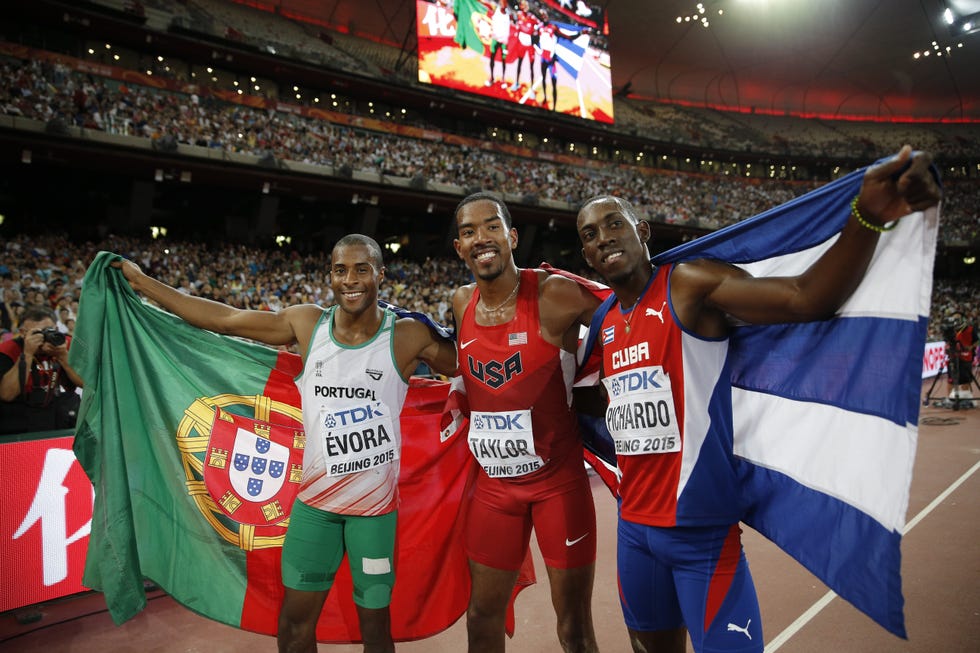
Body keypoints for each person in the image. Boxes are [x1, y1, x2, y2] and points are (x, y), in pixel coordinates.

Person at [574, 145, 942, 653]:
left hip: (701, 533)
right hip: (634, 530)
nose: (603, 239)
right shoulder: (605, 322)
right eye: (589, 236)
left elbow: (806, 298)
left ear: (643, 232)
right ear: (587, 256)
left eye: (614, 224)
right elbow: (603, 402)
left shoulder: (688, 286)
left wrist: (868, 215)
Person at [113, 234, 457, 653]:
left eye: (361, 269)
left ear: (380, 275)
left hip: (373, 516)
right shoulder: (307, 324)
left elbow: (473, 365)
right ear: (330, 275)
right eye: (340, 270)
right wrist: (144, 282)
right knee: (294, 626)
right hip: (315, 511)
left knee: (376, 630)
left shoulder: (406, 336)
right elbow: (225, 319)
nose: (350, 279)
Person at [451, 192, 602, 653]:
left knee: (574, 629)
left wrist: (599, 386)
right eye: (468, 231)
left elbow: (625, 317)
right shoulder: (460, 303)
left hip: (559, 486)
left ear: (512, 236)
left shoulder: (555, 293)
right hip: (496, 490)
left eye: (491, 226)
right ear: (459, 248)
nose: (481, 238)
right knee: (480, 619)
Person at [0, 304, 83, 434]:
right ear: (22, 333)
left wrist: (62, 356)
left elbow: (85, 383)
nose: (43, 337)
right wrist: (27, 354)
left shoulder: (66, 344)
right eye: (35, 333)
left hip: (62, 412)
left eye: (47, 331)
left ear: (56, 328)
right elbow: (7, 395)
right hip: (22, 417)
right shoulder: (7, 350)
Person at [946, 311, 978, 404]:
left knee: (965, 379)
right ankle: (950, 399)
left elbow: (977, 341)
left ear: (963, 319)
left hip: (966, 357)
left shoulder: (971, 329)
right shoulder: (950, 330)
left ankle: (966, 399)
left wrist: (971, 347)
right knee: (951, 379)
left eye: (957, 318)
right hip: (953, 357)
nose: (955, 320)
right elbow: (946, 342)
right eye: (954, 318)